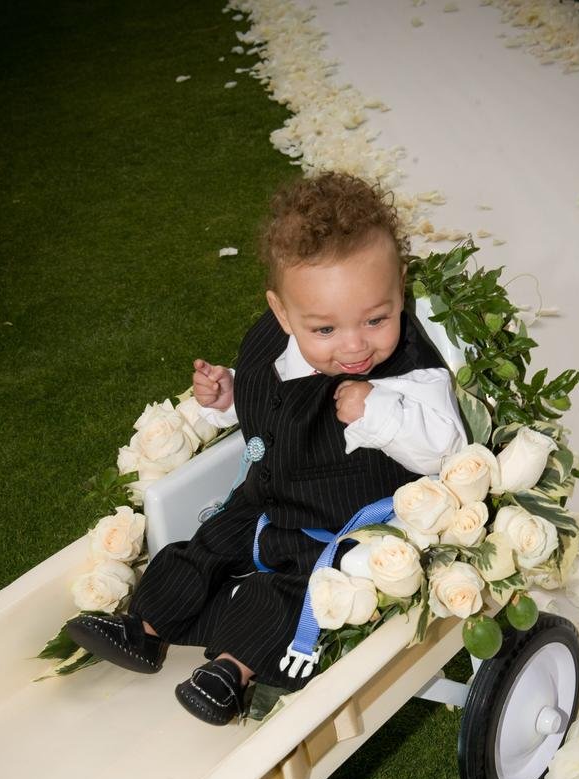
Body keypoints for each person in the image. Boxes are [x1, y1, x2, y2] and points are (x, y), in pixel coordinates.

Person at [67, 172, 466, 724]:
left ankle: (231, 670)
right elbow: (274, 401)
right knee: (203, 547)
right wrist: (228, 396)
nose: (354, 345)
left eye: (377, 319)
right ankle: (147, 628)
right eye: (324, 330)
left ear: (400, 288)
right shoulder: (274, 341)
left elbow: (446, 449)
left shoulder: (410, 373)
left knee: (292, 591)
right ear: (283, 313)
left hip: (336, 527)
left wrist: (379, 411)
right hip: (263, 499)